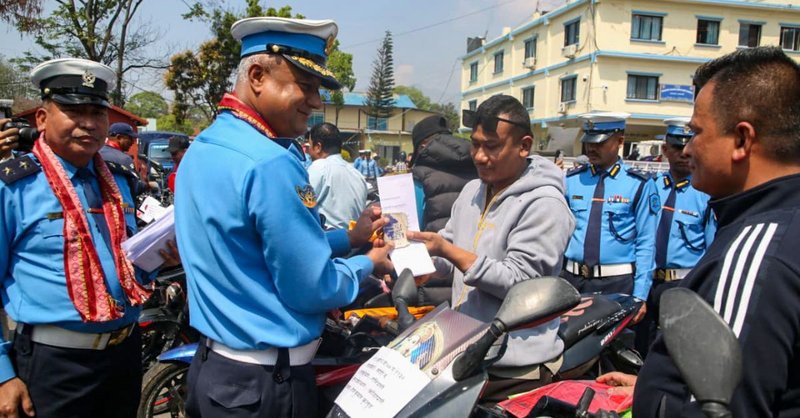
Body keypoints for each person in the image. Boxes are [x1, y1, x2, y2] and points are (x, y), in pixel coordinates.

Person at [174, 17, 394, 418]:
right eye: (305, 86)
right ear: (257, 76)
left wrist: (349, 236)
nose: (315, 102)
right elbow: (311, 285)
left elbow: (256, 249)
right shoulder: (270, 162)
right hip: (266, 384)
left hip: (215, 370)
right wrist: (367, 263)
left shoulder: (204, 146)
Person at [596, 46, 800, 417]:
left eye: (696, 133)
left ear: (742, 140)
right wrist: (653, 386)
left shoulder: (758, 255)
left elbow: (722, 408)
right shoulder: (782, 223)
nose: (687, 149)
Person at [0, 58, 174, 417]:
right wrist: (2, 375)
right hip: (55, 363)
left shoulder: (118, 181)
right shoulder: (14, 187)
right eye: (74, 111)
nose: (89, 124)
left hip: (124, 354)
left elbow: (122, 264)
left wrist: (157, 261)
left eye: (98, 113)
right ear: (42, 119)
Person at [408, 95, 575, 401]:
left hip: (513, 361)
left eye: (492, 146)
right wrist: (420, 261)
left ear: (524, 146)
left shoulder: (545, 204)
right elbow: (451, 248)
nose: (480, 156)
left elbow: (522, 285)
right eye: (475, 144)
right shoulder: (473, 190)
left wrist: (446, 250)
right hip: (465, 346)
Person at [561, 113, 658, 323]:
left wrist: (640, 294)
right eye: (588, 142)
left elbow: (646, 242)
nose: (591, 149)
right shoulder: (571, 181)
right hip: (572, 280)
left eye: (600, 142)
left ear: (620, 141)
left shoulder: (638, 184)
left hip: (616, 284)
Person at [636, 117, 716, 357]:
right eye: (676, 147)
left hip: (682, 283)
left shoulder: (705, 193)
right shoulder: (650, 187)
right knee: (640, 346)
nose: (683, 153)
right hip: (648, 283)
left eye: (687, 146)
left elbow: (711, 248)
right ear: (665, 150)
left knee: (676, 350)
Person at [411, 114, 477, 233]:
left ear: (422, 147)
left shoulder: (419, 178)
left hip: (433, 248)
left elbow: (411, 225)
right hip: (470, 248)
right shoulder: (479, 166)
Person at [307, 122, 368, 229]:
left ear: (318, 147)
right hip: (355, 240)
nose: (309, 151)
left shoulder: (319, 166)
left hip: (329, 241)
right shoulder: (358, 175)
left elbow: (302, 206)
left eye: (310, 146)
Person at [100, 122, 147, 197]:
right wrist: (145, 183)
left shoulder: (98, 153)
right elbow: (135, 188)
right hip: (122, 205)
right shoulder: (124, 159)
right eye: (130, 138)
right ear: (119, 138)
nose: (132, 142)